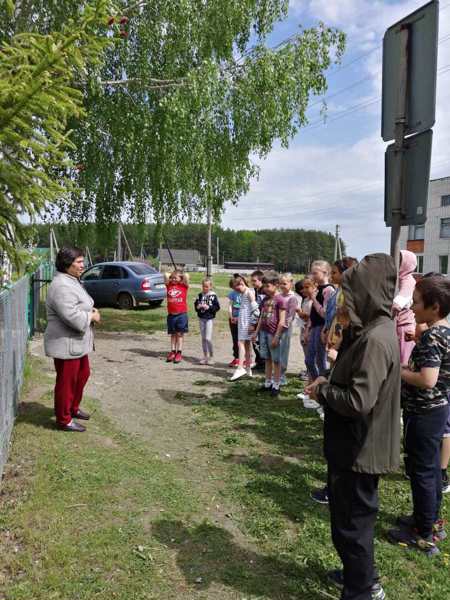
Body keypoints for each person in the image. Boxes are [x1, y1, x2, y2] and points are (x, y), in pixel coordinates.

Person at [306, 253, 400, 600]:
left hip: (360, 450)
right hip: (355, 446)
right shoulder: (373, 330)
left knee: (353, 525)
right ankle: (359, 576)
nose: (347, 298)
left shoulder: (376, 339)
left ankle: (361, 590)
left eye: (353, 290)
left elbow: (359, 402)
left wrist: (324, 390)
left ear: (369, 292)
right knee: (350, 523)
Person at [389, 276, 450, 556]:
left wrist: (398, 371)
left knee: (422, 472)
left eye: (415, 302)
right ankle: (430, 519)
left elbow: (427, 379)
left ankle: (424, 533)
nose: (411, 308)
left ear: (434, 307)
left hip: (424, 412)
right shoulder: (445, 331)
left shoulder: (433, 336)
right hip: (437, 410)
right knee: (432, 469)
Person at [44, 247, 101, 432]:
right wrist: (91, 317)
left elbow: (82, 304)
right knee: (67, 382)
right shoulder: (61, 285)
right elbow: (72, 316)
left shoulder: (72, 281)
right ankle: (64, 419)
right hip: (66, 343)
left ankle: (72, 408)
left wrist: (91, 311)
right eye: (78, 262)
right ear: (66, 264)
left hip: (76, 343)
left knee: (83, 374)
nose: (82, 265)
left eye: (82, 261)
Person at [253, 272, 287, 396]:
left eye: (268, 286)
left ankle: (276, 384)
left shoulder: (280, 300)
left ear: (276, 285)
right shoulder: (266, 299)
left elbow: (282, 320)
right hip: (263, 332)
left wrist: (277, 337)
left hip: (273, 334)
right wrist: (256, 332)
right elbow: (261, 316)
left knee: (276, 360)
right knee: (267, 358)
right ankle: (268, 382)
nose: (265, 289)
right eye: (264, 286)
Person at [304, 261, 334, 381]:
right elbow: (313, 313)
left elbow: (325, 313)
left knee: (320, 361)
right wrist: (308, 329)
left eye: (315, 273)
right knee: (309, 360)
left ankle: (320, 389)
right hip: (314, 327)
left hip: (322, 327)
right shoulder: (317, 289)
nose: (313, 275)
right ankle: (316, 386)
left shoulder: (328, 290)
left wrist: (313, 299)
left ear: (325, 273)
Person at [230, 274, 259, 381]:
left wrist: (252, 324)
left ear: (242, 284)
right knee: (247, 344)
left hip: (247, 323)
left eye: (237, 287)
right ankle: (248, 368)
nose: (236, 290)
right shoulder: (243, 293)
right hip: (243, 322)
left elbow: (256, 310)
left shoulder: (249, 292)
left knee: (240, 343)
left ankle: (240, 367)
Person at [393, 250, 417, 364]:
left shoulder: (408, 281)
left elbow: (398, 304)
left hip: (404, 328)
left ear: (406, 264)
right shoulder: (400, 279)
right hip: (399, 324)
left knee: (403, 361)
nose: (396, 263)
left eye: (399, 261)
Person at [164, 270, 190, 364]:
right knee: (173, 334)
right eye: (173, 278)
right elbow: (165, 274)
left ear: (181, 279)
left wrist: (181, 276)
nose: (173, 279)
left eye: (176, 278)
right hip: (171, 315)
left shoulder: (183, 286)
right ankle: (172, 351)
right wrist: (173, 275)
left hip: (181, 314)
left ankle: (179, 352)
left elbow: (187, 276)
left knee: (179, 334)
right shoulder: (169, 285)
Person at [194, 278, 220, 365]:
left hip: (209, 319)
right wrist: (198, 307)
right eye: (203, 286)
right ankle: (205, 357)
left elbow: (217, 307)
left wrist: (208, 307)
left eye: (207, 286)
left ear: (210, 286)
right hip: (201, 319)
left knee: (208, 338)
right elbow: (196, 306)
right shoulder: (200, 295)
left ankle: (211, 357)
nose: (205, 288)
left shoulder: (213, 295)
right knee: (203, 339)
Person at [279, 274, 298, 385]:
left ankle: (282, 375)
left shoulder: (292, 297)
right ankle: (276, 373)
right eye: (281, 283)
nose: (282, 285)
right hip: (276, 327)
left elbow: (291, 315)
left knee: (284, 351)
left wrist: (284, 325)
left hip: (285, 328)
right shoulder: (279, 295)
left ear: (291, 284)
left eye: (285, 283)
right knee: (277, 351)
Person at [295, 278, 314, 381]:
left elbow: (309, 316)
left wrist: (299, 312)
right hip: (303, 328)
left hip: (309, 329)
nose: (302, 291)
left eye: (306, 288)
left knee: (310, 352)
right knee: (306, 351)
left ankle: (310, 373)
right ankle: (308, 370)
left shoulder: (312, 301)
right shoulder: (306, 299)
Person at [250, 270, 266, 370]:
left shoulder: (263, 291)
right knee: (255, 341)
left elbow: (261, 307)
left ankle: (264, 362)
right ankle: (259, 361)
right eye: (252, 281)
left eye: (254, 281)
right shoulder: (256, 290)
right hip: (256, 319)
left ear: (260, 280)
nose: (252, 283)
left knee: (261, 341)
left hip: (262, 320)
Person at [227, 276, 242, 367]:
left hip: (243, 320)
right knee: (235, 339)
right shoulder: (232, 294)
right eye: (233, 286)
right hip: (233, 320)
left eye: (237, 285)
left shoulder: (246, 293)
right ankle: (236, 358)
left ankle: (245, 359)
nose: (236, 287)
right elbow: (230, 306)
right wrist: (231, 316)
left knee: (243, 340)